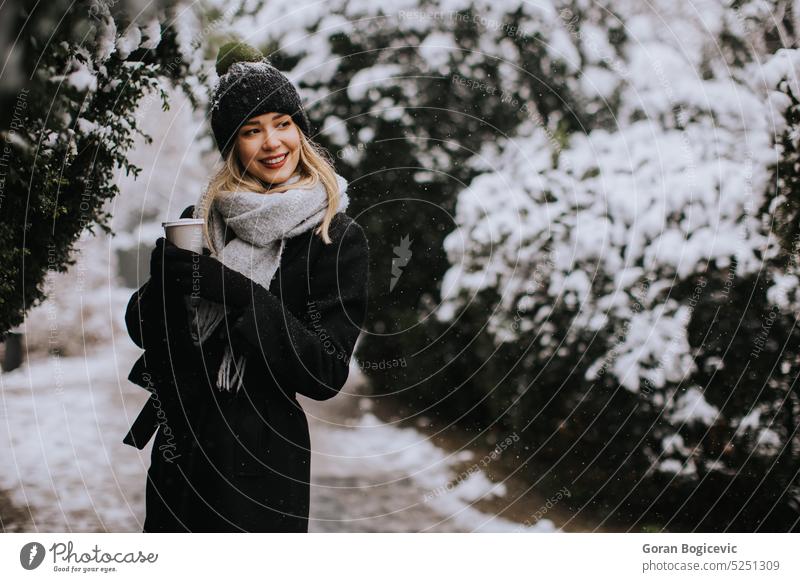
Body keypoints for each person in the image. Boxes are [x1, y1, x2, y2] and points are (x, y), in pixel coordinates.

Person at [122, 41, 370, 532]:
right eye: (252, 131)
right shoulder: (203, 221)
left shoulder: (334, 237)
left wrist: (235, 292)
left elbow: (324, 370)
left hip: (263, 461)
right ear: (232, 144)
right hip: (183, 448)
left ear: (300, 130)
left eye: (282, 123)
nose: (272, 142)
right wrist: (165, 282)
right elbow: (145, 332)